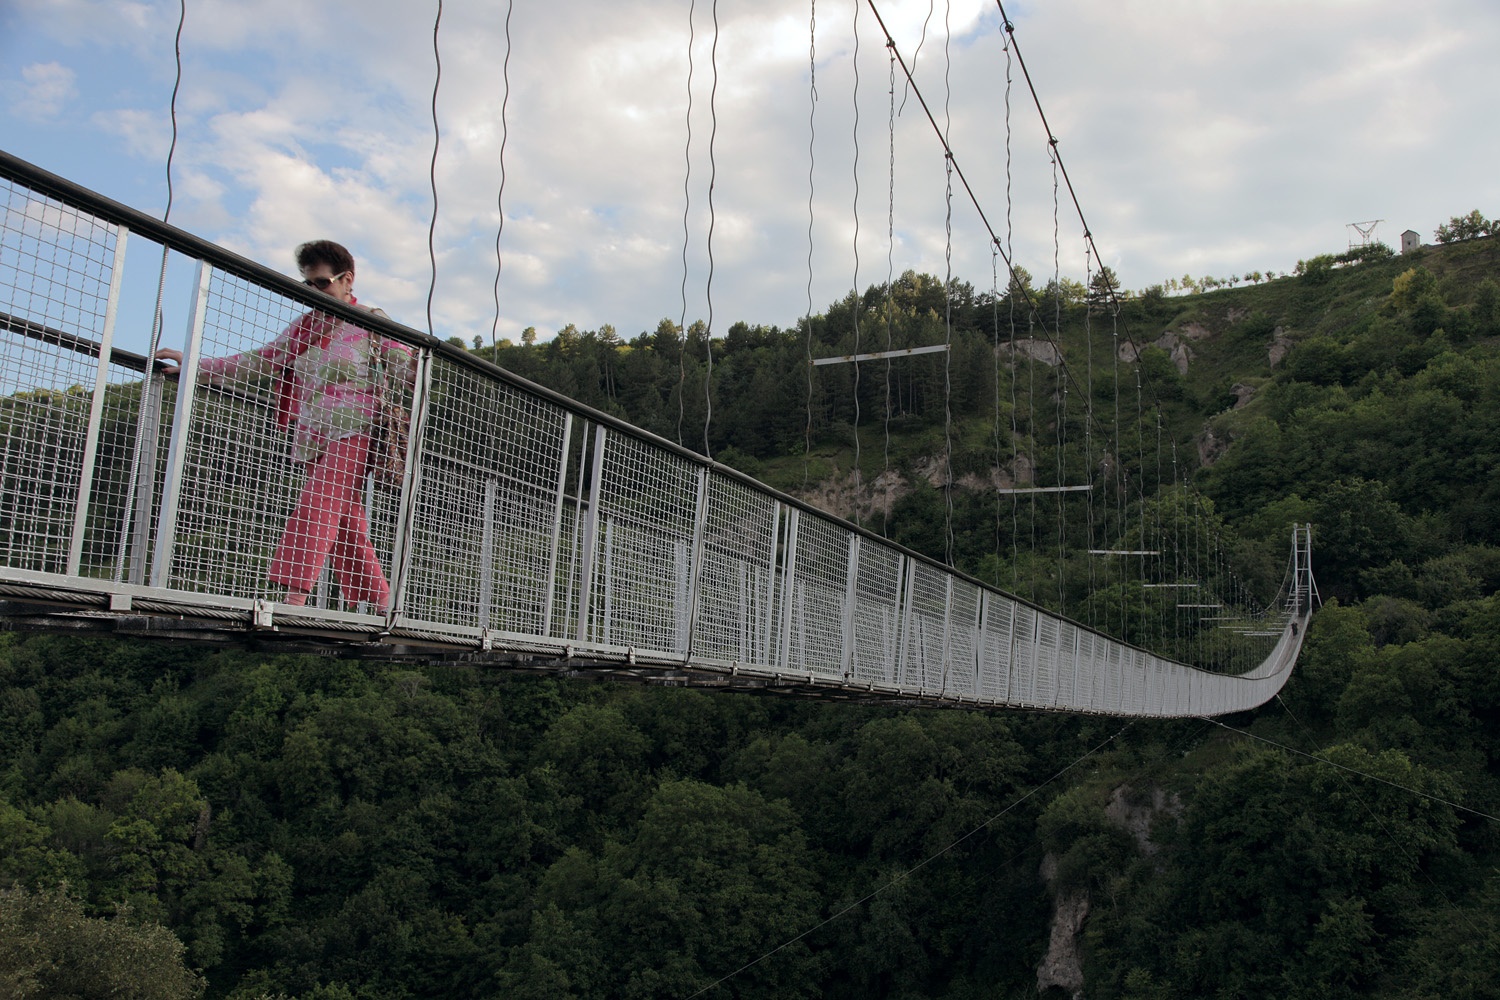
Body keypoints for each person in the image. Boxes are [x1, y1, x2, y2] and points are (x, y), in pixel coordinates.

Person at [156, 240, 413, 613]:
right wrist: (195, 364)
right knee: (344, 518)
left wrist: (421, 370)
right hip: (313, 434)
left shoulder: (370, 321)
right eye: (307, 285)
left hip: (358, 426)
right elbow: (257, 362)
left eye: (322, 283)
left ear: (347, 280)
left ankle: (294, 597)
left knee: (319, 501)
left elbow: (404, 364)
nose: (314, 292)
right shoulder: (303, 330)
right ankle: (384, 601)